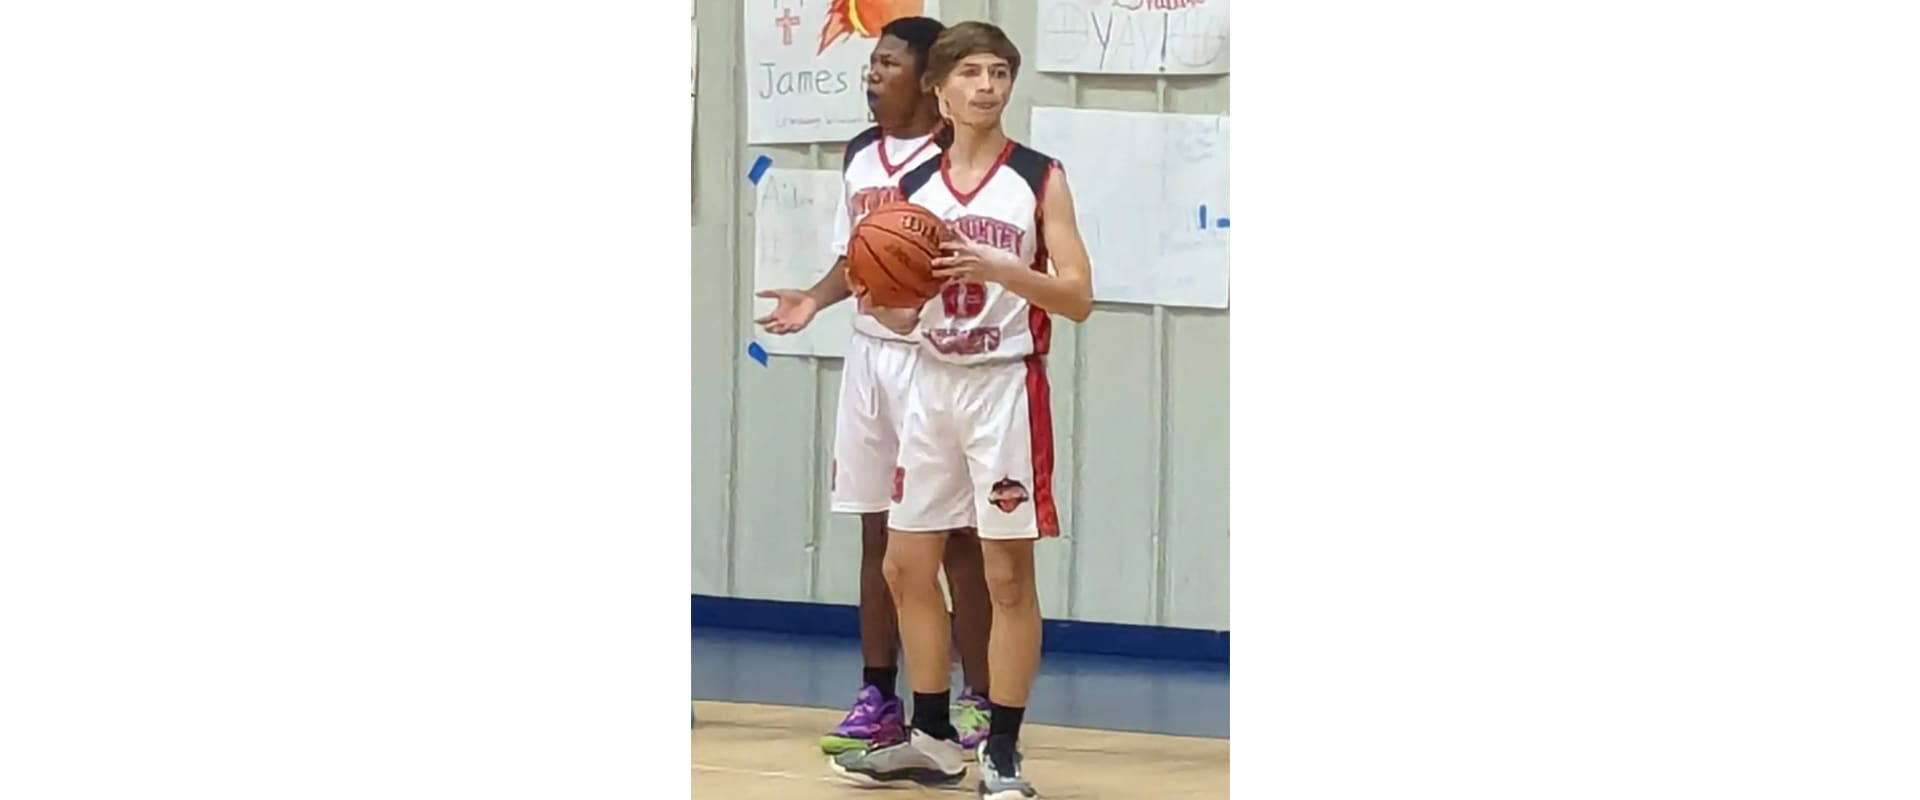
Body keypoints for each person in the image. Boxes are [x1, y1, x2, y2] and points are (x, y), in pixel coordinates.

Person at [828, 21, 1094, 800]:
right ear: (941, 89)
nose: (987, 86)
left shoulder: (1040, 177)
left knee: (1008, 575)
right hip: (930, 382)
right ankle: (934, 736)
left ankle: (1004, 750)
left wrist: (1005, 270)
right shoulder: (912, 192)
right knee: (904, 564)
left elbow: (1077, 296)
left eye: (999, 73)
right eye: (971, 73)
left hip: (1005, 387)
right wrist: (895, 304)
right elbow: (902, 306)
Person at [753, 16, 996, 758]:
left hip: (935, 361)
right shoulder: (860, 153)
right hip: (869, 360)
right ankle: (877, 695)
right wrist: (815, 300)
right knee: (873, 529)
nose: (871, 75)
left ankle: (978, 698)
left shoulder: (954, 161)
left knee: (955, 537)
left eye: (886, 63)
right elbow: (858, 255)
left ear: (927, 80)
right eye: (871, 63)